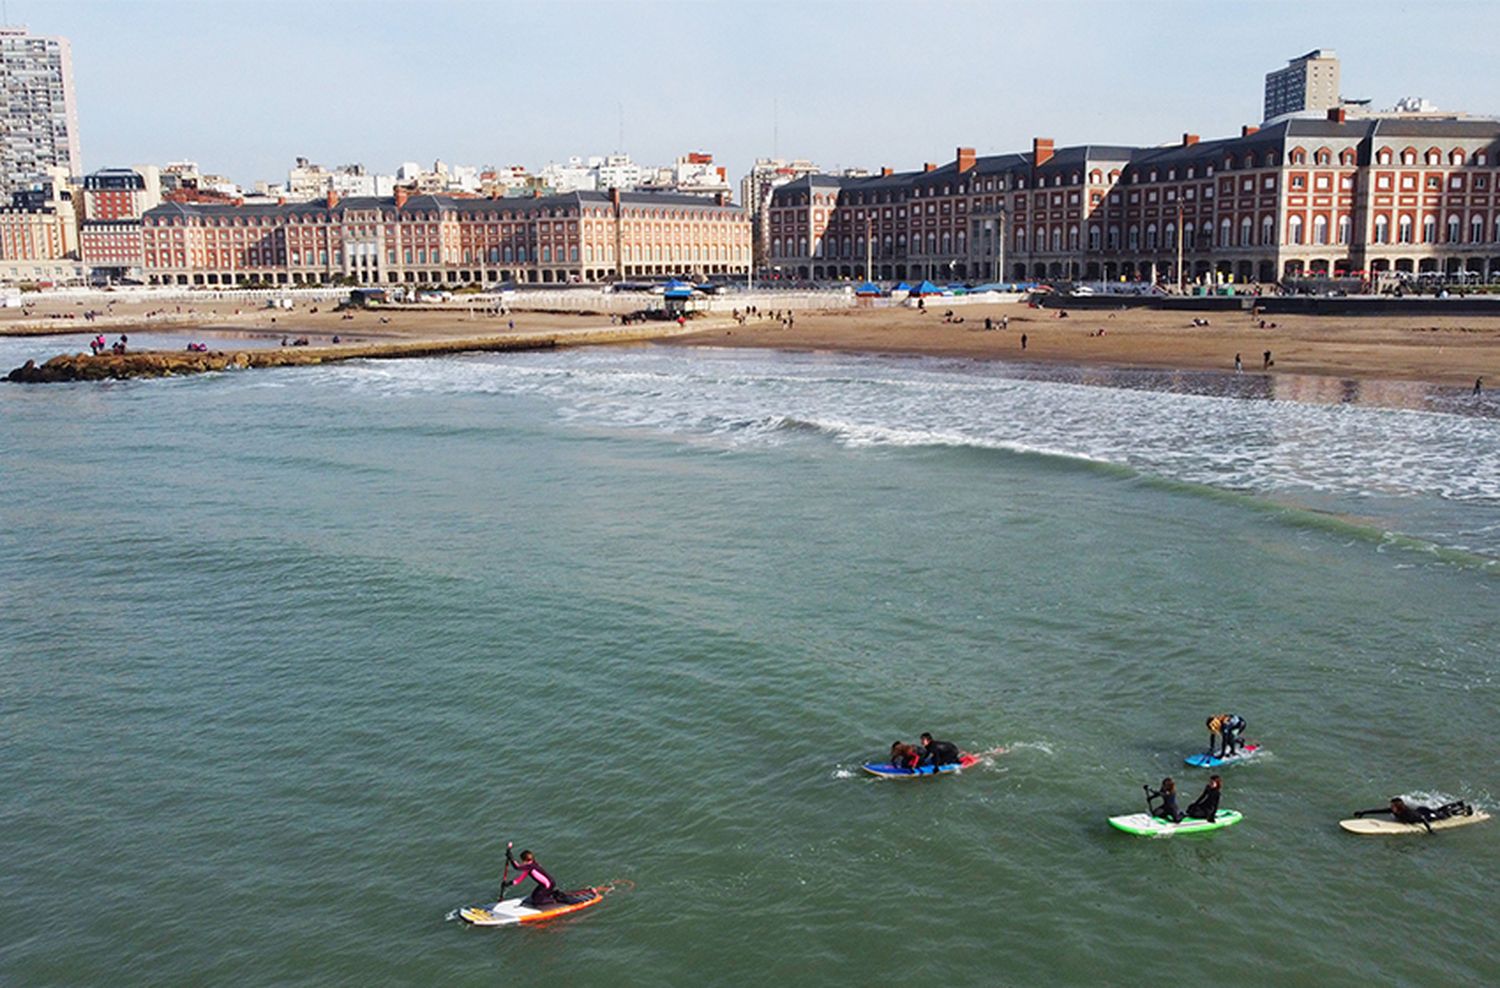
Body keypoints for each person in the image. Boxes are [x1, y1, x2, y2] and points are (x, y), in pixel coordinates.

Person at [501, 843, 584, 907]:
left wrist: (510, 857)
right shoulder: (530, 866)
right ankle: (552, 893)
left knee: (537, 901)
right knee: (534, 897)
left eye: (522, 860)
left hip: (548, 885)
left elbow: (517, 867)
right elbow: (519, 879)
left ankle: (556, 898)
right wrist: (508, 884)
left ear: (524, 860)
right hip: (546, 884)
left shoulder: (530, 866)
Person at [1353, 797, 1471, 834]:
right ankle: (1458, 804)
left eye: (1392, 805)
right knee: (1439, 810)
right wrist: (1363, 812)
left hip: (1425, 815)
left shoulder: (1408, 814)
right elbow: (1379, 811)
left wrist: (1429, 830)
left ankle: (1463, 809)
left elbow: (1422, 819)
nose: (1390, 807)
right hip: (1421, 810)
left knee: (1444, 815)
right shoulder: (1396, 810)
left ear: (1398, 807)